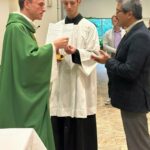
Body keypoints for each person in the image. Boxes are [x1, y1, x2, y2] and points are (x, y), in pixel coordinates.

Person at [0, 0, 69, 149]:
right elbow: (29, 61)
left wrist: (50, 53)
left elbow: (27, 60)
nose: (44, 9)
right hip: (20, 99)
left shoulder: (22, 28)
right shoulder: (17, 28)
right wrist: (53, 46)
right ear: (27, 4)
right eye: (40, 4)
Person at [91, 0, 150, 149]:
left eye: (118, 11)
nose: (115, 15)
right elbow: (127, 58)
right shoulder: (132, 32)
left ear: (129, 14)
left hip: (134, 100)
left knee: (139, 144)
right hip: (130, 99)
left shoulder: (140, 35)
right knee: (135, 141)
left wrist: (108, 61)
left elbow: (130, 70)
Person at [49, 0, 100, 150]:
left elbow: (95, 55)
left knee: (80, 137)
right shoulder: (56, 27)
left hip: (80, 87)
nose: (69, 7)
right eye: (65, 3)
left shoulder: (89, 27)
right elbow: (49, 51)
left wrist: (76, 52)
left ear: (79, 2)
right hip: (61, 85)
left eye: (72, 2)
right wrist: (54, 51)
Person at [103, 15, 125, 105]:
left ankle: (122, 97)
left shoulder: (125, 32)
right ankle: (110, 97)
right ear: (112, 22)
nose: (115, 21)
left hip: (123, 58)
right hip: (112, 57)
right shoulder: (107, 33)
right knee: (111, 78)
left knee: (122, 77)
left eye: (116, 19)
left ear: (119, 20)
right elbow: (104, 45)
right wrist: (115, 50)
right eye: (113, 20)